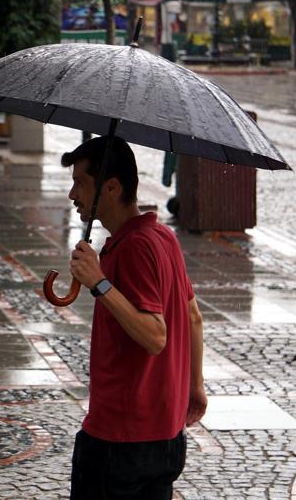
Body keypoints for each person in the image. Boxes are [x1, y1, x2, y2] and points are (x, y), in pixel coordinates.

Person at [64, 136, 206, 499]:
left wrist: (99, 283)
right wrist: (195, 387)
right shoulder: (162, 237)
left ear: (111, 187)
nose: (72, 194)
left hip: (120, 440)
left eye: (80, 183)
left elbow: (156, 336)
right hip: (165, 437)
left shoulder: (134, 248)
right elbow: (192, 316)